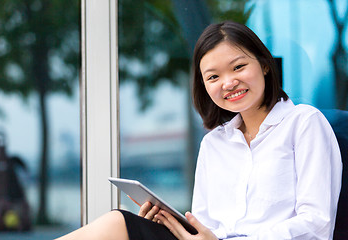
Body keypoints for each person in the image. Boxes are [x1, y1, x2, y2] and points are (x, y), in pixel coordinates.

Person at [56, 21, 342, 240]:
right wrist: (172, 224)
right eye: (214, 76)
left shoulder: (304, 123)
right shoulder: (214, 144)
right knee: (120, 224)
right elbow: (205, 224)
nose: (228, 83)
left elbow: (316, 224)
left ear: (265, 66)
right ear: (204, 85)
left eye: (239, 67)